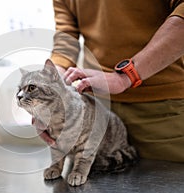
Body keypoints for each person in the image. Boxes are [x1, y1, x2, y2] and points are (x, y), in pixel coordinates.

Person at [34, 0, 184, 162]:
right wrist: (49, 96)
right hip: (95, 112)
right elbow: (66, 40)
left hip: (163, 112)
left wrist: (126, 76)